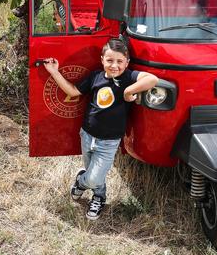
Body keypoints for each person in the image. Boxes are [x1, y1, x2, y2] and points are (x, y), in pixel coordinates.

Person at [43, 38, 159, 220]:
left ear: (127, 63)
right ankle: (99, 197)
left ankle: (81, 183)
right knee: (96, 177)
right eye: (110, 60)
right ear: (102, 60)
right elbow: (73, 92)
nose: (114, 65)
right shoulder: (96, 77)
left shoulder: (128, 77)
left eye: (120, 61)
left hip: (109, 140)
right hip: (87, 135)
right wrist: (54, 72)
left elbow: (152, 79)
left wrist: (129, 91)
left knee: (94, 178)